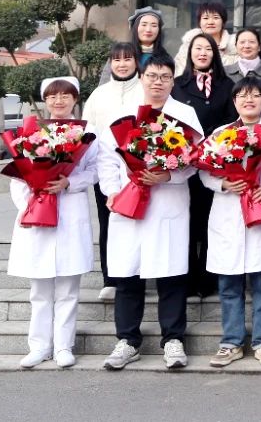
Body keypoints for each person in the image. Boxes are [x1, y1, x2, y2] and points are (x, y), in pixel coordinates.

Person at [97, 56, 204, 371]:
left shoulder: (184, 114)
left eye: (165, 77)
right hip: (129, 201)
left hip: (168, 201)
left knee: (171, 273)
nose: (158, 82)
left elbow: (195, 159)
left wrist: (168, 175)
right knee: (127, 274)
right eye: (153, 75)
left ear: (173, 81)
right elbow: (107, 158)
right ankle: (128, 340)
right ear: (141, 77)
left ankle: (173, 339)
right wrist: (112, 191)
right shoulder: (122, 113)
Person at [201, 77, 261, 368]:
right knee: (229, 285)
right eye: (243, 95)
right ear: (234, 101)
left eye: (255, 95)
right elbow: (204, 170)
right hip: (229, 214)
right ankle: (231, 342)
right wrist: (223, 185)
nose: (249, 100)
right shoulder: (220, 134)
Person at [9, 77, 100, 369]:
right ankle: (38, 346)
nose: (58, 101)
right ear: (45, 100)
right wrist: (28, 206)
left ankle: (63, 346)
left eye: (65, 96)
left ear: (75, 99)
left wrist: (69, 182)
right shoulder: (32, 132)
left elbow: (96, 170)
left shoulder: (87, 132)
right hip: (37, 214)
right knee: (39, 291)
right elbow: (18, 175)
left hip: (70, 212)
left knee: (68, 290)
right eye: (52, 96)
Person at [173, 33, 237, 300]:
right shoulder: (178, 85)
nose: (202, 53)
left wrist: (215, 146)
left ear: (215, 53)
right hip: (186, 163)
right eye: (197, 48)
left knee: (213, 221)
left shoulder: (227, 85)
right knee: (188, 222)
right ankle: (187, 279)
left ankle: (208, 278)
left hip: (216, 162)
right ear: (189, 53)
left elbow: (233, 122)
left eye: (207, 49)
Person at [83, 42, 144, 303]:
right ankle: (110, 279)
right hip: (106, 169)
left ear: (136, 62)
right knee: (108, 221)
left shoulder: (145, 89)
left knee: (141, 222)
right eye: (116, 59)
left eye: (127, 59)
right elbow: (88, 131)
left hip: (141, 170)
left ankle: (141, 274)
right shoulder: (99, 94)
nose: (122, 64)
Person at [99, 6, 172, 83]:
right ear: (135, 27)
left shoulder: (165, 58)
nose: (148, 29)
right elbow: (104, 84)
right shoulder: (122, 53)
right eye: (144, 25)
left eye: (154, 25)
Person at [176, 1, 237, 74]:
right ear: (199, 22)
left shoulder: (235, 47)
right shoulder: (187, 46)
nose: (210, 22)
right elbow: (178, 73)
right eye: (205, 18)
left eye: (215, 17)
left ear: (223, 22)